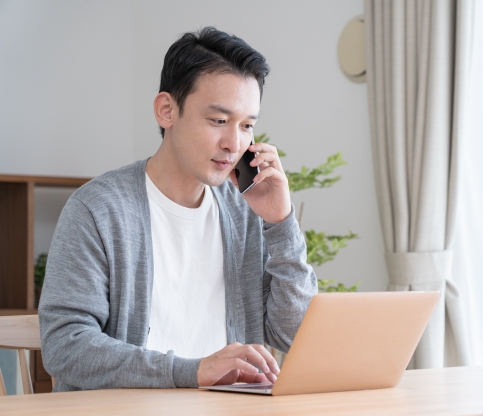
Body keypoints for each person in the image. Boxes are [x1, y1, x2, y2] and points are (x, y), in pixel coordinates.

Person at [38, 27, 317, 392]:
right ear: (167, 110)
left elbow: (293, 333)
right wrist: (192, 371)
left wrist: (281, 223)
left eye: (247, 125)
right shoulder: (99, 209)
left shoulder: (246, 211)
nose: (234, 143)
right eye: (218, 121)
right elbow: (65, 347)